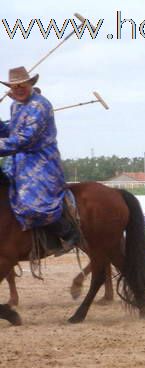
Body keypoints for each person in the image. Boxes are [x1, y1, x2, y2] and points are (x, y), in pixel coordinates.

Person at [0, 66, 79, 252]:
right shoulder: (16, 105)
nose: (18, 89)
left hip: (41, 161)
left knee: (30, 202)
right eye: (14, 86)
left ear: (30, 84)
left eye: (21, 85)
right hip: (18, 160)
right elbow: (11, 131)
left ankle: (66, 232)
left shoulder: (40, 106)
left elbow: (25, 139)